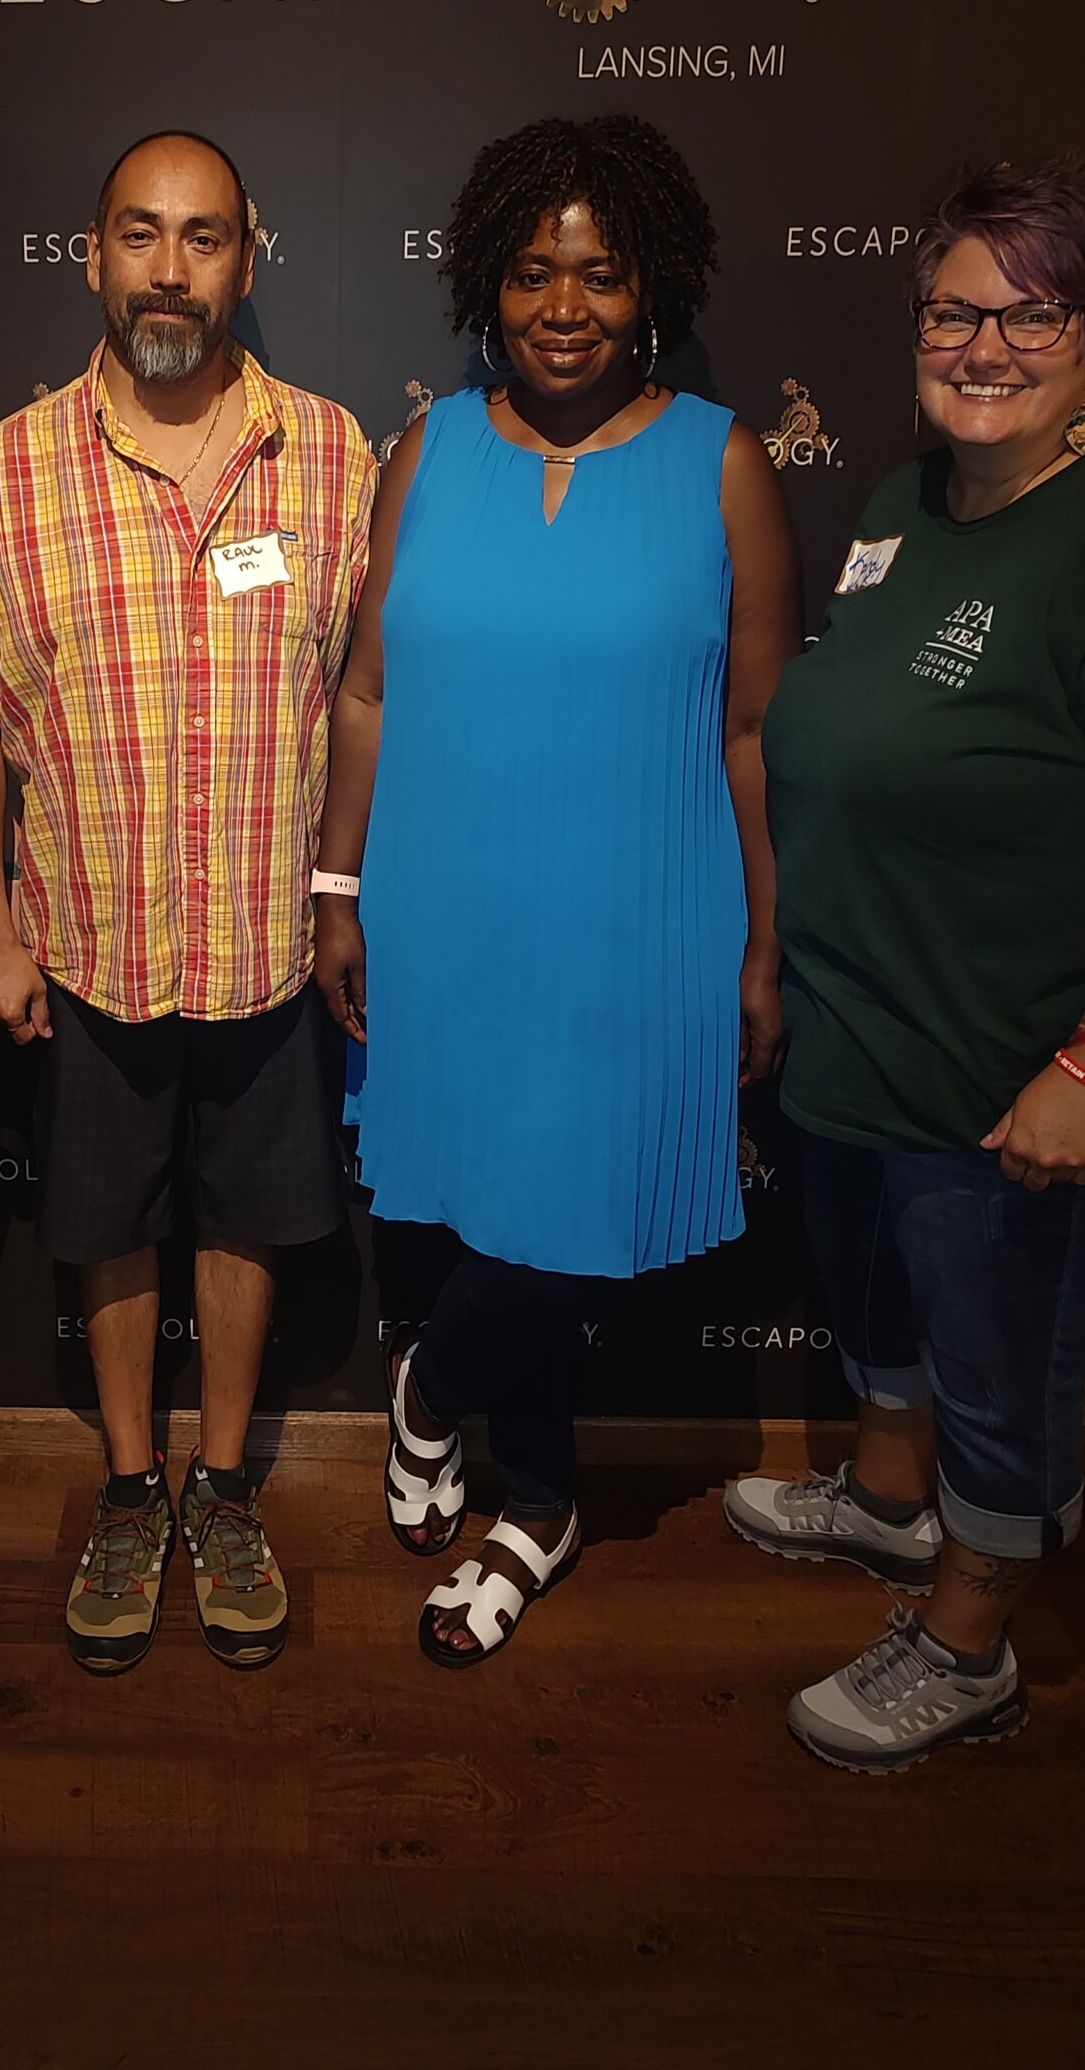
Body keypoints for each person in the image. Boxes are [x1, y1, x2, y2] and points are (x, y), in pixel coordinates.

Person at [0, 130, 375, 1674]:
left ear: (250, 254)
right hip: (86, 946)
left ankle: (223, 1488)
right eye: (141, 236)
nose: (172, 270)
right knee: (104, 1232)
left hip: (263, 951)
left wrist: (344, 892)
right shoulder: (7, 472)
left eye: (205, 238)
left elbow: (369, 696)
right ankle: (126, 1485)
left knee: (244, 1224)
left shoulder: (337, 456)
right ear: (90, 254)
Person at [317, 113, 800, 1666]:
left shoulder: (720, 459)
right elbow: (369, 690)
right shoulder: (429, 449)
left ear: (649, 281)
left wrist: (767, 946)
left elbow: (755, 731)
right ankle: (539, 1503)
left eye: (598, 272)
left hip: (641, 929)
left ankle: (429, 1390)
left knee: (561, 1228)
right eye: (533, 272)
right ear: (489, 283)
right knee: (487, 1214)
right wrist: (338, 886)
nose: (565, 305)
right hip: (445, 913)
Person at [730, 154, 1085, 1773]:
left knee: (1002, 1382)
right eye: (950, 311)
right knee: (887, 1322)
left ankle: (969, 1646)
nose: (981, 347)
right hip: (873, 1052)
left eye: (1029, 314)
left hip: (1019, 1090)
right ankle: (885, 1504)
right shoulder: (907, 501)